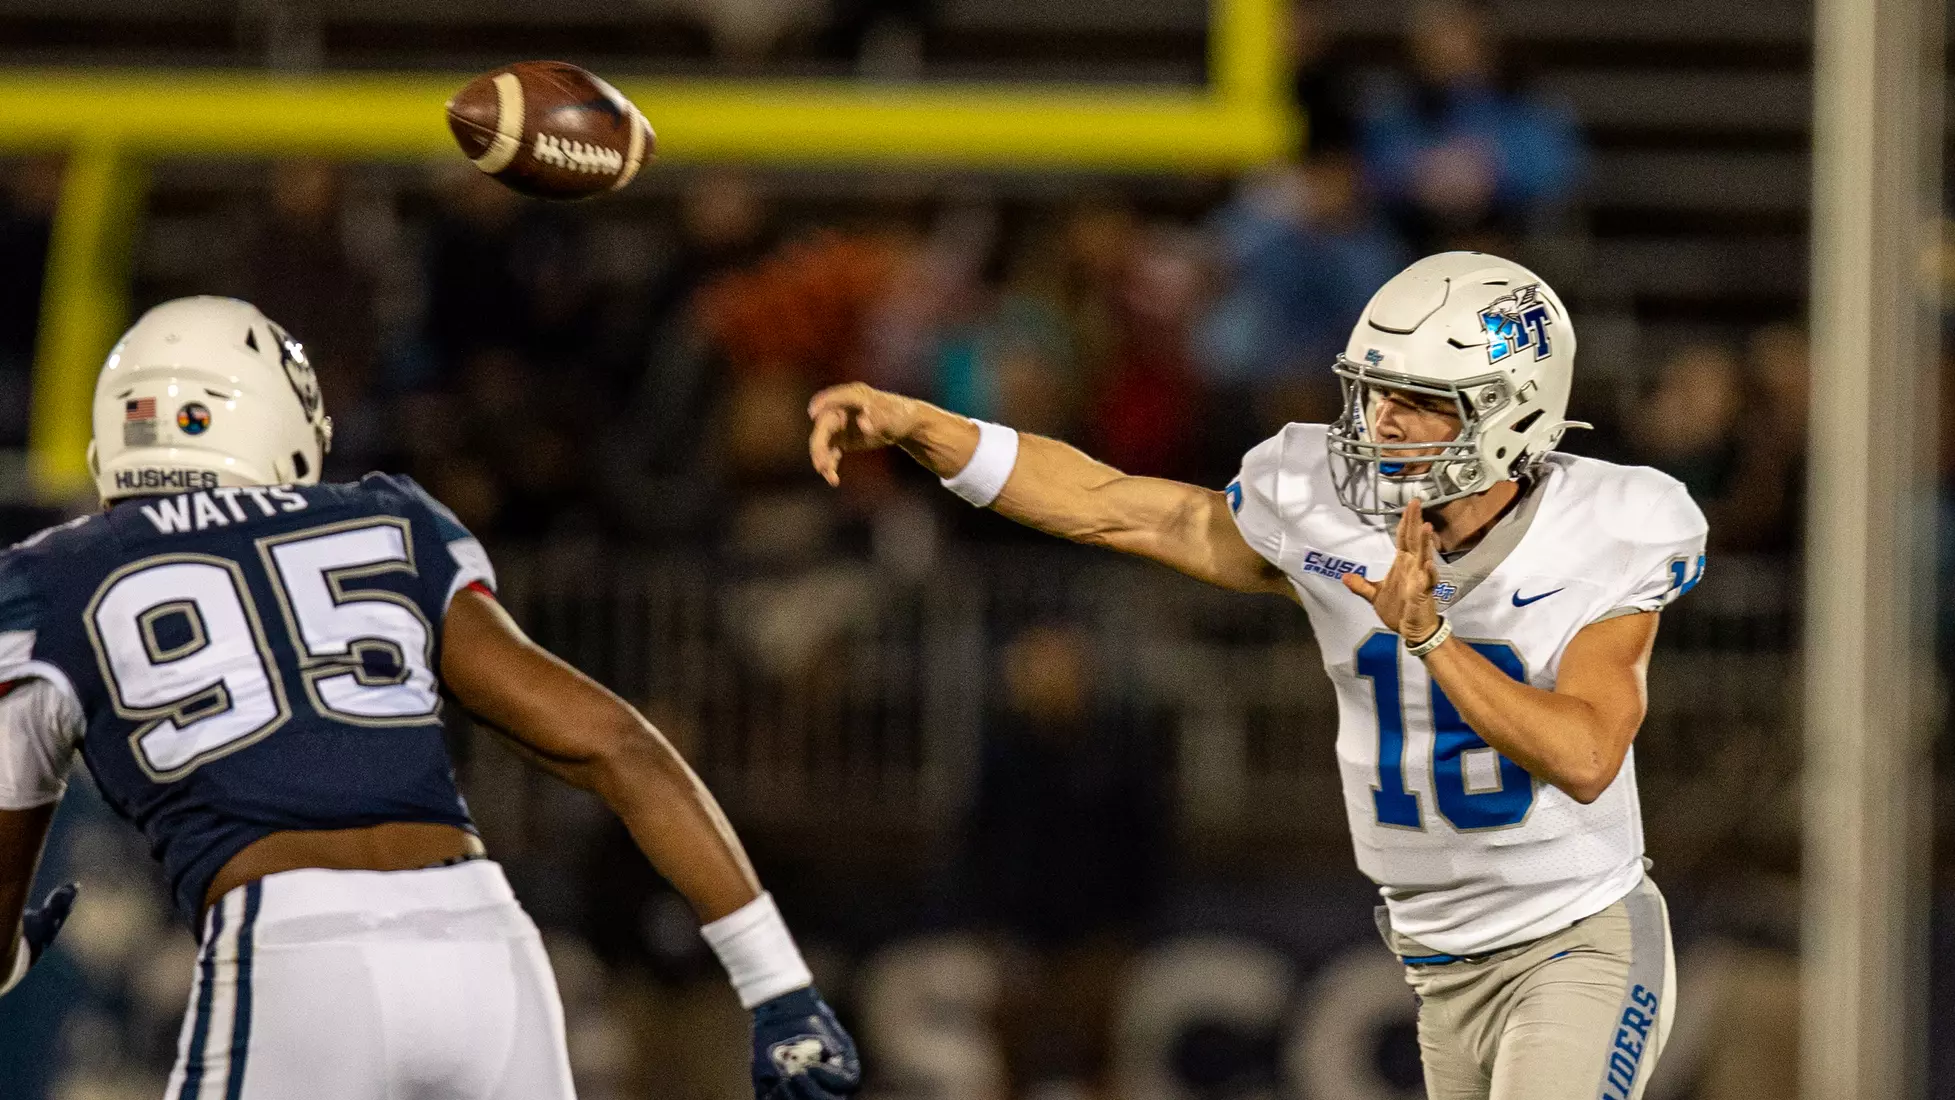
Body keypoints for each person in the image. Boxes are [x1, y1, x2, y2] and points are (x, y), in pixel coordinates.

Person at [810, 252, 1704, 1100]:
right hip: (1437, 961)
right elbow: (1117, 508)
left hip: (1575, 941)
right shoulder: (1318, 499)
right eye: (1371, 389)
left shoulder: (1607, 527)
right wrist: (926, 428)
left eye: (1417, 399)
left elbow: (1586, 756)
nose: (1379, 421)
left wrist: (1430, 637)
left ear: (1511, 407)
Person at [0, 296, 861, 1100]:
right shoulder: (388, 519)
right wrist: (778, 988)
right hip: (486, 945)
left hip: (295, 953)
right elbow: (617, 745)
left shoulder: (49, 578)